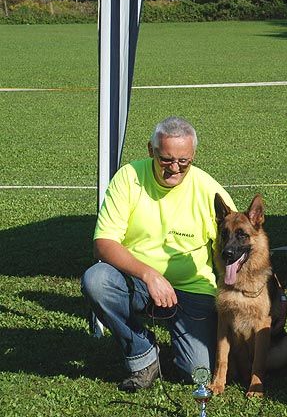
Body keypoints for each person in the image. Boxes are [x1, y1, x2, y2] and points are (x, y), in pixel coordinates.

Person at [81, 116, 236, 391]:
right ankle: (142, 353)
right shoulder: (129, 177)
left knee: (197, 372)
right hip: (140, 283)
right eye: (166, 160)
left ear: (193, 156)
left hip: (193, 289)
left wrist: (274, 294)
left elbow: (240, 241)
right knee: (97, 280)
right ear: (150, 150)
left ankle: (180, 348)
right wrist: (149, 275)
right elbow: (103, 243)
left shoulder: (208, 189)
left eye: (183, 162)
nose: (174, 168)